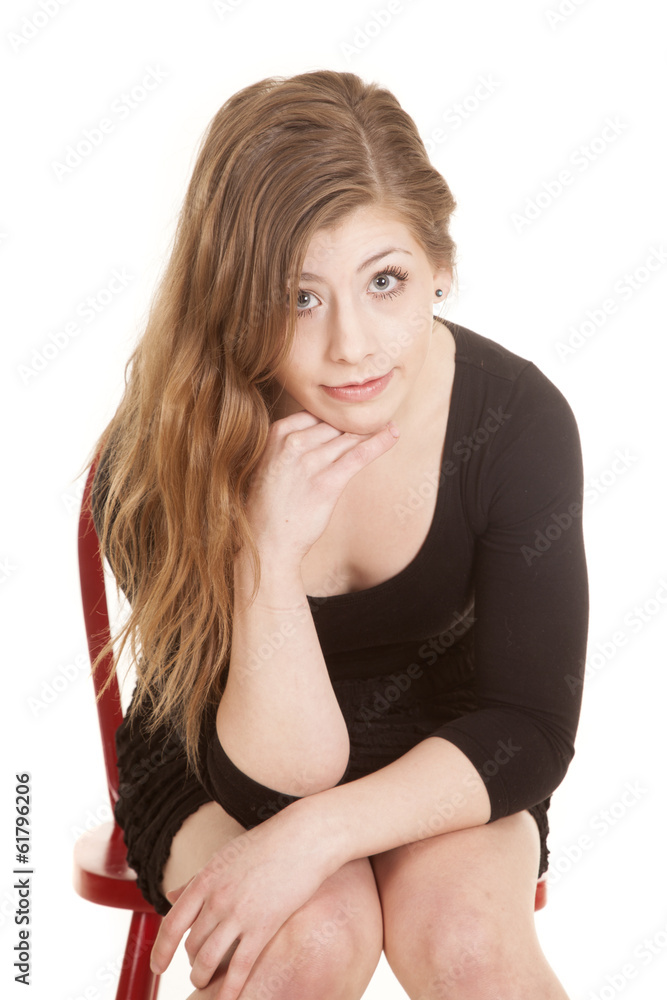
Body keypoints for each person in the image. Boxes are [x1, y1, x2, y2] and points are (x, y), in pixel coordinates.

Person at [88, 69, 589, 1000]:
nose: (353, 346)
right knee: (309, 936)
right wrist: (265, 559)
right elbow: (281, 781)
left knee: (469, 939)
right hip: (222, 755)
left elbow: (529, 722)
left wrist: (320, 837)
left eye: (386, 281)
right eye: (299, 296)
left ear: (440, 265)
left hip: (451, 745)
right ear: (234, 302)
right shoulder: (160, 458)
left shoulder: (515, 420)